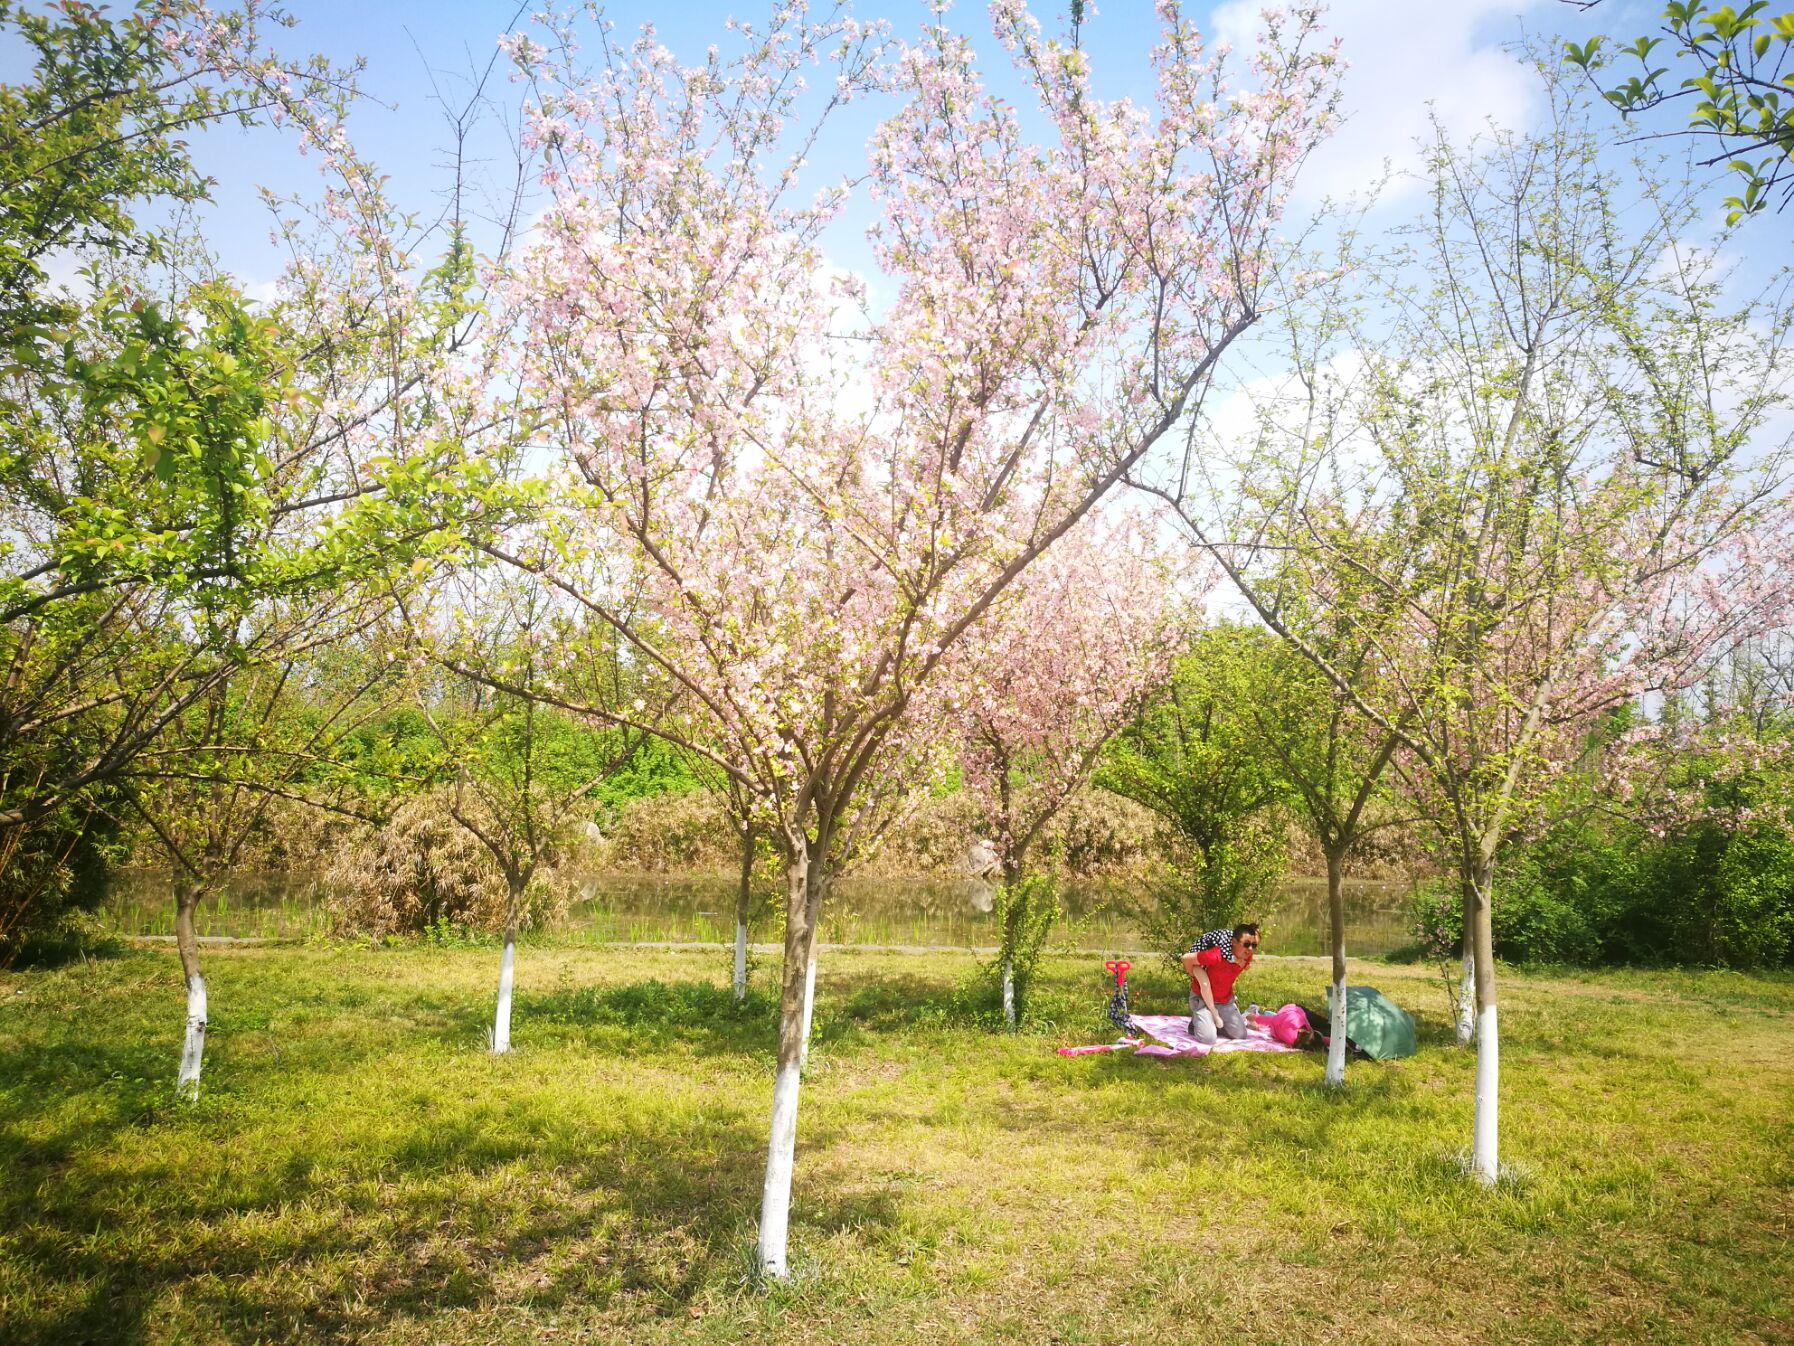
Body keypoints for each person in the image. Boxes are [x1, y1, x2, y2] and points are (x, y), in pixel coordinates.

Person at [1180, 923, 1260, 1045]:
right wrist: (1193, 973)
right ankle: (1198, 1022)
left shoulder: (1245, 957)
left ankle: (1211, 1021)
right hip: (1203, 998)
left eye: (1253, 945)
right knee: (1208, 1039)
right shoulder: (1215, 955)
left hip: (1224, 1000)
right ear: (1233, 942)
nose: (1250, 949)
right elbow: (1186, 958)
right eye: (1246, 944)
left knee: (1240, 1035)